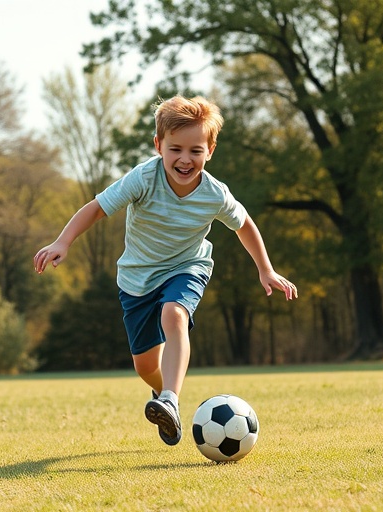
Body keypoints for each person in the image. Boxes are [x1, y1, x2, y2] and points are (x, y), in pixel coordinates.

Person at [33, 94, 298, 446]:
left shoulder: (215, 194)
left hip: (187, 267)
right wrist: (62, 242)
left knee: (174, 315)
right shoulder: (143, 178)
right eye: (175, 149)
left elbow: (244, 224)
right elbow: (96, 208)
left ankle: (171, 398)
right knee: (144, 366)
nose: (185, 159)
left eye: (195, 151)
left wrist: (266, 269)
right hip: (137, 280)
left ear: (210, 150)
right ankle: (162, 395)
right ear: (159, 145)